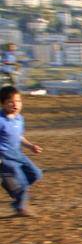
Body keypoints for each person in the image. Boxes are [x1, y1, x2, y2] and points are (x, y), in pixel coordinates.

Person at [0, 86, 43, 217]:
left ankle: (11, 186)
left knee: (36, 174)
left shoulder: (19, 119)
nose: (15, 104)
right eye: (10, 102)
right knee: (22, 183)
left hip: (18, 155)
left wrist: (30, 146)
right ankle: (20, 207)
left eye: (18, 101)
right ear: (2, 104)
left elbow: (18, 136)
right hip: (5, 158)